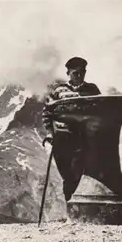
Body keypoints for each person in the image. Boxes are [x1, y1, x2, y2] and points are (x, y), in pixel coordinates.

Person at [41, 57, 101, 201]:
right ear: (68, 73)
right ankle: (70, 209)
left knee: (78, 173)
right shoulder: (58, 91)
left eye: (82, 73)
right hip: (62, 138)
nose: (79, 76)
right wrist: (50, 133)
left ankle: (75, 208)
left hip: (83, 139)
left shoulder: (92, 90)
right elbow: (47, 113)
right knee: (66, 175)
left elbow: (100, 111)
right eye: (76, 73)